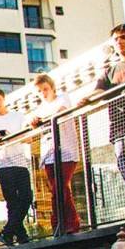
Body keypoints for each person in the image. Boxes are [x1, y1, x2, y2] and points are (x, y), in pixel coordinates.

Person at [84, 23, 125, 202]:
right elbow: (98, 90)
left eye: (124, 37)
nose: (120, 42)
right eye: (116, 39)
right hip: (120, 130)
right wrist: (87, 98)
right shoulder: (110, 70)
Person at [30, 73, 79, 235]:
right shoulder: (39, 109)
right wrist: (33, 121)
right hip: (49, 154)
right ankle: (68, 223)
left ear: (52, 88)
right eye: (40, 91)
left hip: (66, 151)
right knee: (58, 189)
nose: (43, 93)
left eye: (45, 89)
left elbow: (61, 111)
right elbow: (29, 122)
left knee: (60, 187)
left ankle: (59, 223)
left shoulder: (62, 98)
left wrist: (41, 118)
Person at [0, 87, 32, 245]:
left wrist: (10, 134)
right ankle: (21, 236)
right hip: (2, 164)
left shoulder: (17, 116)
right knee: (11, 201)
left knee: (26, 197)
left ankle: (7, 232)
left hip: (20, 161)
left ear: (3, 99)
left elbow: (28, 137)